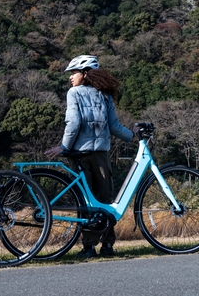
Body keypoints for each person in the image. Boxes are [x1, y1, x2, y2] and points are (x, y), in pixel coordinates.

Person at [45, 55, 139, 259]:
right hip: (102, 155)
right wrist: (132, 136)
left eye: (74, 73)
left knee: (85, 202)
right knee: (104, 200)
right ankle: (107, 245)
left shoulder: (74, 93)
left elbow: (73, 123)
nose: (70, 77)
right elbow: (114, 127)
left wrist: (63, 146)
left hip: (79, 154)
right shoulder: (105, 95)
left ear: (85, 74)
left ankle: (88, 247)